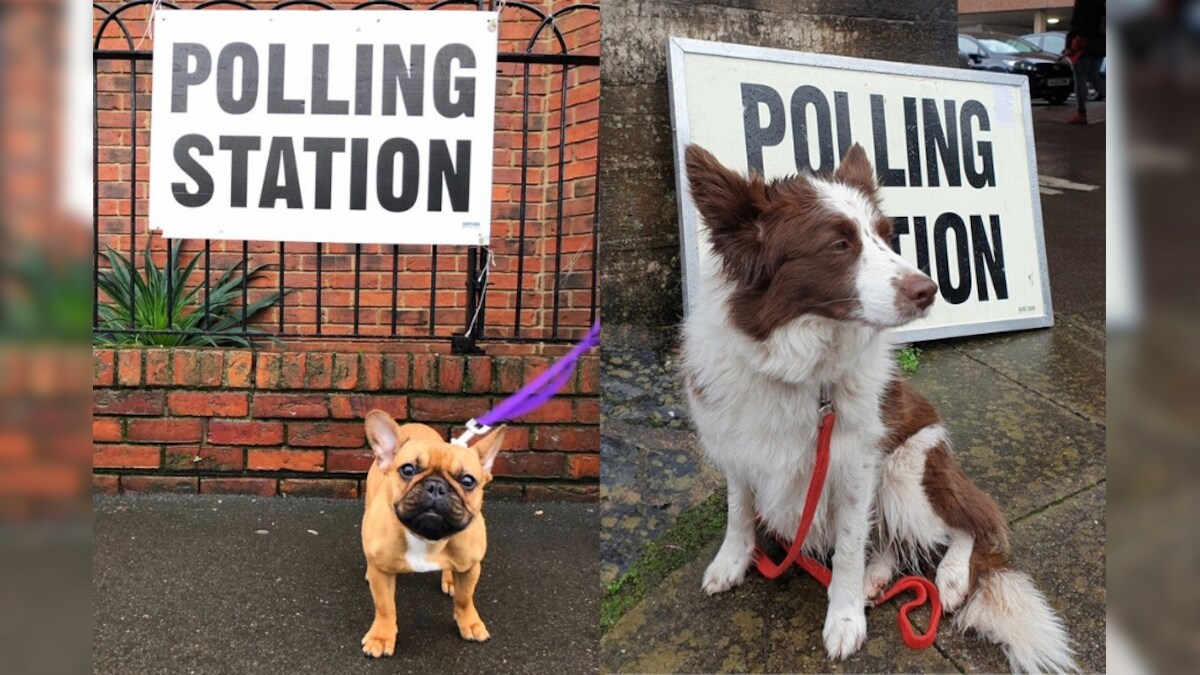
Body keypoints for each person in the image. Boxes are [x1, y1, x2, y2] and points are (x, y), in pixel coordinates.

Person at [1064, 0, 1106, 124]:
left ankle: (1081, 113)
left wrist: (1069, 45)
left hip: (1083, 44)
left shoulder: (1082, 3)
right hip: (1100, 44)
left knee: (1080, 77)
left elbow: (1077, 23)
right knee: (1093, 76)